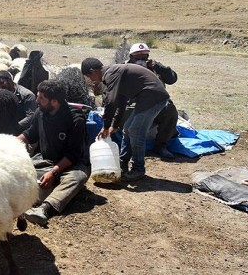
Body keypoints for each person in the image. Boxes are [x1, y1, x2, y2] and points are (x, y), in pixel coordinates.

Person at [81, 57, 170, 182]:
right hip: (147, 97)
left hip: (154, 97)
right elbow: (121, 102)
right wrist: (114, 126)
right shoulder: (116, 73)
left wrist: (105, 127)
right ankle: (122, 164)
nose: (92, 81)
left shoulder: (110, 74)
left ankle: (138, 169)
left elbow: (111, 102)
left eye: (89, 77)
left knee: (135, 131)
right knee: (127, 128)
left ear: (92, 71)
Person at [17, 79, 89, 227]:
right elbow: (31, 133)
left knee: (78, 177)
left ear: (54, 101)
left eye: (41, 98)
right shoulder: (41, 112)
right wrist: (10, 143)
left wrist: (53, 173)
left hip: (69, 165)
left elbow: (73, 154)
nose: (36, 100)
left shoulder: (76, 119)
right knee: (18, 171)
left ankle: (44, 209)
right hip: (44, 160)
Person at [126, 43, 179, 159]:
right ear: (131, 57)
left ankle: (161, 145)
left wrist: (160, 68)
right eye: (137, 57)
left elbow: (172, 79)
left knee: (170, 110)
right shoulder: (124, 68)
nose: (141, 60)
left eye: (144, 57)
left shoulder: (155, 67)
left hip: (155, 103)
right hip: (133, 105)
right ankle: (128, 150)